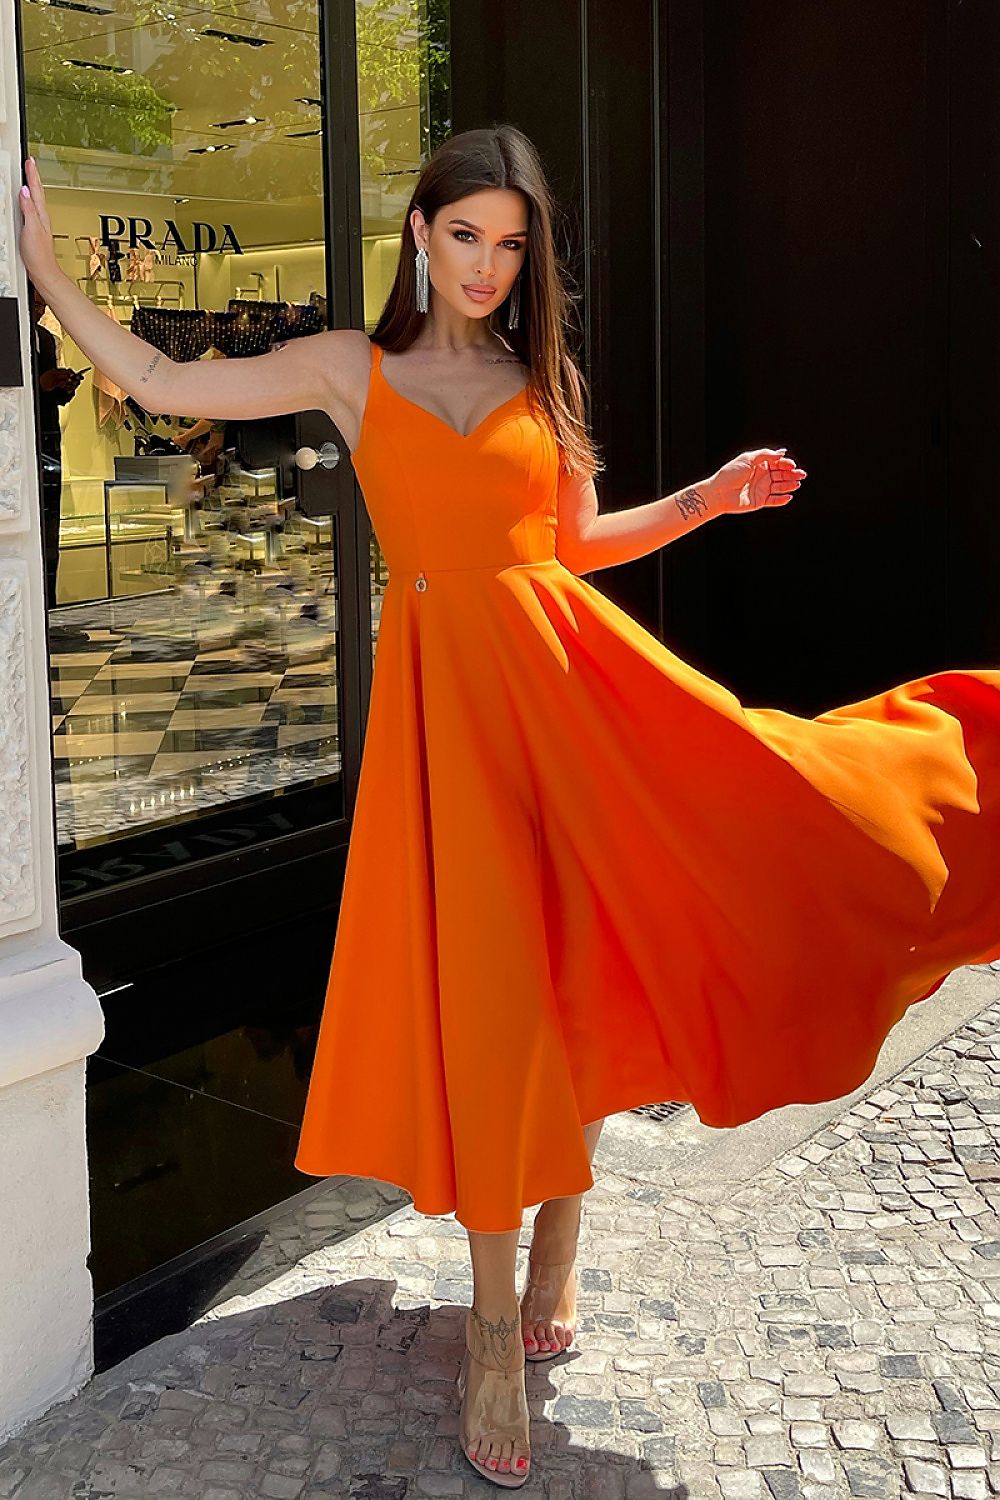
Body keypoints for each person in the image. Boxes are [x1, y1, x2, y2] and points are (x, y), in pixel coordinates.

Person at [17, 127, 1000, 1490]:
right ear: (421, 236)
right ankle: (491, 1333)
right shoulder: (353, 370)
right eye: (466, 235)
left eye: (511, 243)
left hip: (574, 709)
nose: (487, 265)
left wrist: (708, 500)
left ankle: (559, 1252)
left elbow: (574, 547)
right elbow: (165, 378)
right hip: (450, 739)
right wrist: (55, 281)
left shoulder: (540, 379)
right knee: (496, 1014)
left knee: (603, 960)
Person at [28, 279, 83, 614]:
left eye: (42, 304)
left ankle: (51, 607)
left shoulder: (46, 339)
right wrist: (40, 384)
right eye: (35, 304)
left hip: (48, 442)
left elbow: (52, 398)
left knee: (51, 523)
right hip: (22, 444)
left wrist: (64, 386)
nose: (40, 310)